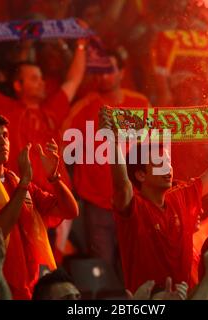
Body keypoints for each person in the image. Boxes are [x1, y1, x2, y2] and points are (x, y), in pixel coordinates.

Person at [98, 105, 208, 293]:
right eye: (159, 163)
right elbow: (121, 185)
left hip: (185, 296)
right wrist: (112, 142)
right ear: (140, 175)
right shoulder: (134, 207)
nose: (168, 168)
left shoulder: (181, 197)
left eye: (168, 162)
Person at [0, 112, 79, 299]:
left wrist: (54, 178)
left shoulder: (18, 181)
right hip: (0, 286)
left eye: (5, 135)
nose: (3, 141)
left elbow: (70, 211)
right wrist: (22, 187)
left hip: (32, 285)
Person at [62, 52, 150, 274]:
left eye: (108, 70)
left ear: (122, 72)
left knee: (138, 264)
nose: (103, 76)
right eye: (98, 71)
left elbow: (154, 148)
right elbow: (63, 148)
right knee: (102, 268)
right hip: (97, 203)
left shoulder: (139, 104)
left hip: (135, 202)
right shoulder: (84, 108)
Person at [0, 34, 87, 190]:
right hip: (24, 196)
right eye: (34, 79)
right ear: (18, 85)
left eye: (41, 78)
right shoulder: (7, 109)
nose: (41, 83)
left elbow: (74, 80)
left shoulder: (52, 107)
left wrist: (81, 45)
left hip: (58, 196)